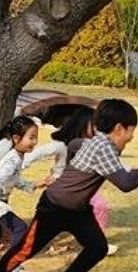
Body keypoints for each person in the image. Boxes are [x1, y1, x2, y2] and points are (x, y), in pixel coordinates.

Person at [0, 99, 138, 272]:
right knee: (28, 247)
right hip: (54, 207)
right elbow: (125, 183)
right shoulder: (102, 147)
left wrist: (73, 166)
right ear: (119, 128)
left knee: (98, 247)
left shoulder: (97, 143)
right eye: (131, 131)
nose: (132, 137)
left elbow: (75, 145)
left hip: (78, 210)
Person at [22, 107, 119, 256]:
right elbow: (40, 153)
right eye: (93, 125)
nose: (96, 129)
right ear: (82, 124)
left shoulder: (89, 146)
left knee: (96, 208)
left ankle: (96, 243)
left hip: (78, 188)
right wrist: (20, 163)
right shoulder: (62, 145)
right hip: (62, 187)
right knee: (98, 206)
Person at [0, 116, 43, 272]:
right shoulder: (12, 159)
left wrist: (33, 185)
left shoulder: (17, 156)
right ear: (17, 139)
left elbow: (13, 179)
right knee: (21, 229)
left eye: (35, 138)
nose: (34, 142)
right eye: (31, 137)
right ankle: (12, 268)